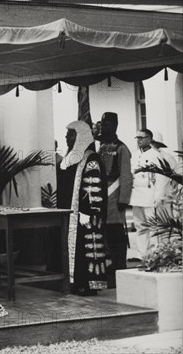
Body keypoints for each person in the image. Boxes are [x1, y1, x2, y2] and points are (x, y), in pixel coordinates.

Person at [56, 121, 108, 295]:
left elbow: (94, 187)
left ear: (80, 136)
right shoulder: (69, 158)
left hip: (84, 215)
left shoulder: (91, 159)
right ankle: (70, 283)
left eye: (71, 134)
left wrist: (87, 211)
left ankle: (85, 285)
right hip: (68, 214)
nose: (66, 137)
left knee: (84, 249)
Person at [98, 112, 132, 288]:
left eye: (106, 124)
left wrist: (124, 198)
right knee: (107, 231)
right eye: (102, 124)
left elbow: (126, 174)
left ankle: (120, 264)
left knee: (117, 232)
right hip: (104, 194)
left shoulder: (121, 148)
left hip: (115, 195)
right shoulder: (102, 146)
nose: (103, 127)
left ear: (114, 125)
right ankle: (113, 264)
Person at [130, 129, 170, 260]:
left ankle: (157, 253)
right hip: (136, 195)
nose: (139, 140)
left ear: (149, 139)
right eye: (137, 138)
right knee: (140, 226)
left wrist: (159, 196)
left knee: (154, 226)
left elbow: (162, 177)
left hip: (150, 194)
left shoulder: (156, 155)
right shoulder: (135, 155)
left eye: (141, 138)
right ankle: (142, 254)